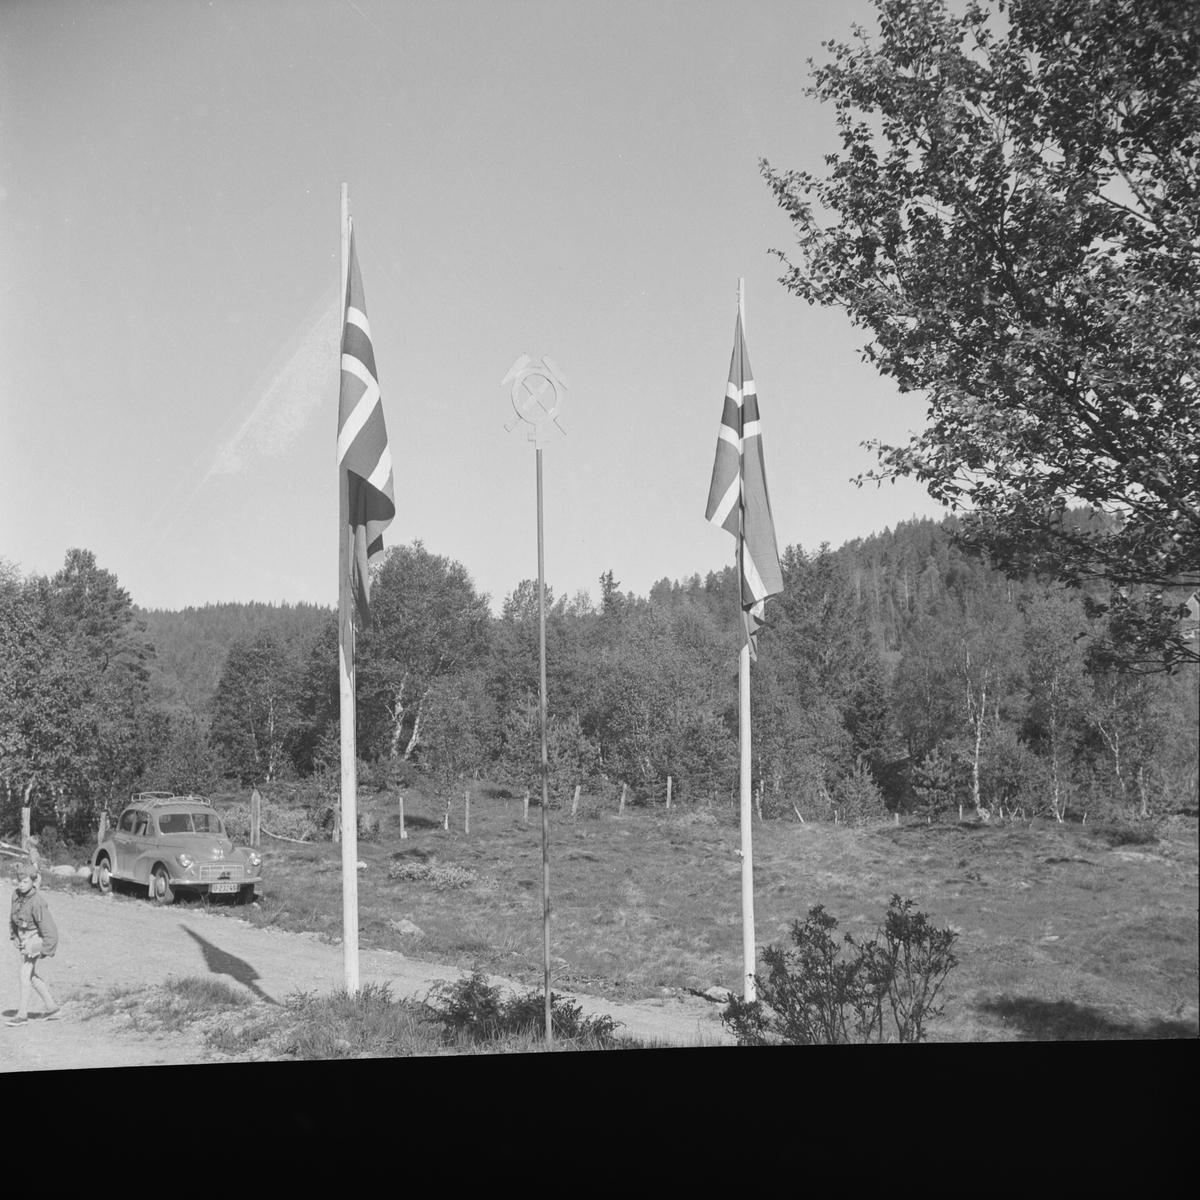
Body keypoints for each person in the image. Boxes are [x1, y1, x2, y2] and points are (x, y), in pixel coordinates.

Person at [8, 860, 59, 1026]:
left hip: (34, 939)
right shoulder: (16, 895)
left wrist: (45, 949)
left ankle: (22, 1015)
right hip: (23, 938)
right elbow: (12, 917)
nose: (21, 885)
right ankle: (52, 1008)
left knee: (24, 973)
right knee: (30, 975)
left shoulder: (37, 902)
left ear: (33, 881)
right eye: (19, 881)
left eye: (25, 882)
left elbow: (50, 930)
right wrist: (14, 935)